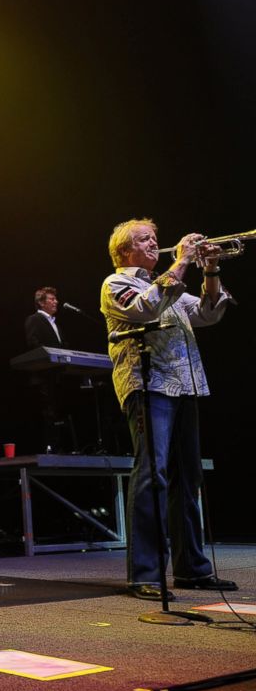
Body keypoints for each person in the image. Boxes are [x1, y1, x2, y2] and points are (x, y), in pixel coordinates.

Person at [101, 218, 237, 601]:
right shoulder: (117, 284)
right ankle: (144, 573)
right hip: (148, 386)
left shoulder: (167, 284)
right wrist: (181, 262)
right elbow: (146, 309)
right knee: (152, 474)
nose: (153, 244)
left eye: (154, 239)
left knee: (187, 478)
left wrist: (210, 268)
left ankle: (192, 569)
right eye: (144, 240)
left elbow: (209, 312)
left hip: (185, 386)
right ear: (124, 251)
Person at [24, 287, 72, 452]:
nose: (56, 302)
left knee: (60, 413)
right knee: (48, 414)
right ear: (41, 303)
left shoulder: (55, 322)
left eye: (55, 299)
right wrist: (50, 357)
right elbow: (33, 343)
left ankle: (62, 448)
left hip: (58, 375)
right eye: (51, 299)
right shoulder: (34, 319)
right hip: (43, 377)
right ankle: (49, 448)